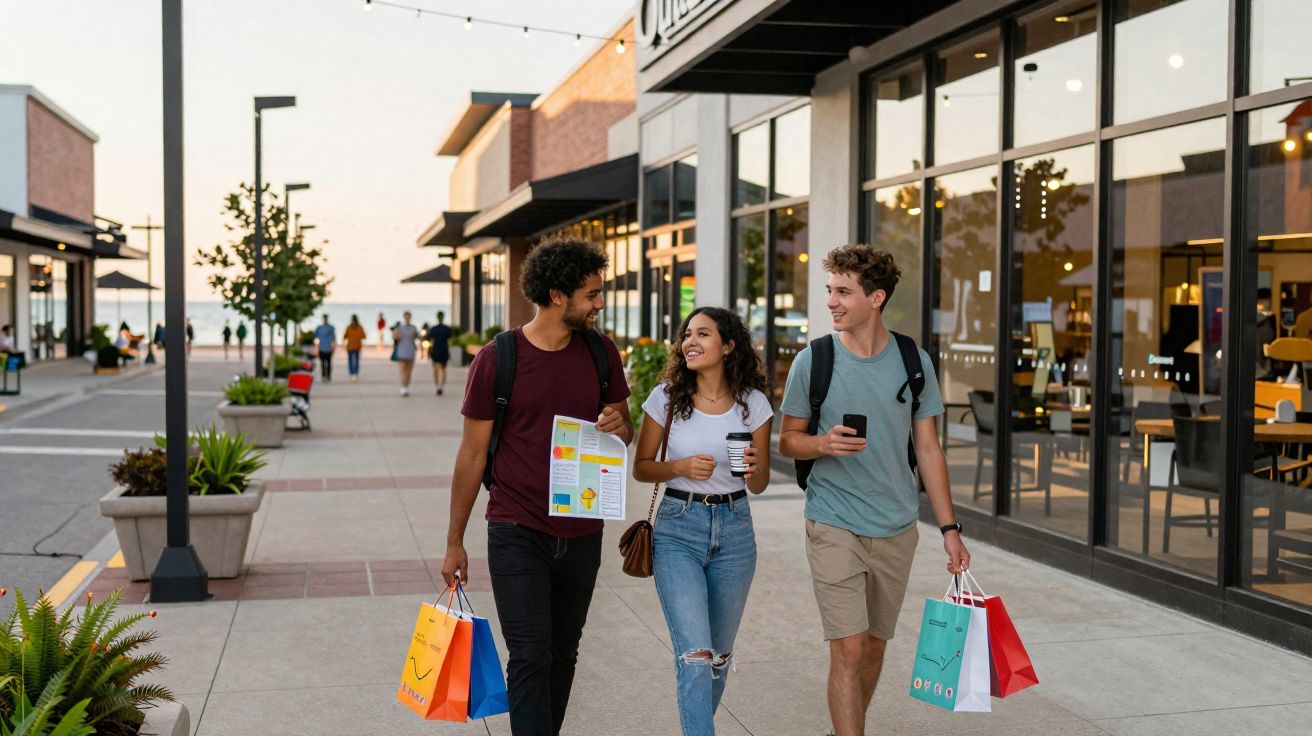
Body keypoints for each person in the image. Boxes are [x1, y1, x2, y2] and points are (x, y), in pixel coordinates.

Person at [441, 236, 633, 736]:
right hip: (516, 527)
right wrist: (454, 540)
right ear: (556, 295)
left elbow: (624, 428)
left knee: (562, 653)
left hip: (583, 529)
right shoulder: (498, 358)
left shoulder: (601, 353)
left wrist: (619, 425)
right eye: (591, 294)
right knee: (529, 655)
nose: (600, 304)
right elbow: (471, 454)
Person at [778, 245, 969, 736]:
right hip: (834, 521)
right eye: (830, 290)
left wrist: (950, 529)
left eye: (843, 292)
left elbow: (928, 449)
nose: (832, 301)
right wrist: (822, 443)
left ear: (876, 297)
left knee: (875, 645)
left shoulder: (913, 361)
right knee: (848, 647)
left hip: (897, 526)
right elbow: (788, 440)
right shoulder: (813, 361)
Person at [634, 307, 772, 736]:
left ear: (728, 346)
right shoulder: (666, 398)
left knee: (718, 658)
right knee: (695, 655)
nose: (690, 342)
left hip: (736, 529)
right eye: (687, 334)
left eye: (703, 334)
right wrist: (679, 467)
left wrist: (754, 467)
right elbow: (641, 467)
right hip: (679, 526)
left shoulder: (754, 403)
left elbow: (760, 484)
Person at [391, 311, 420, 396]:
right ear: (404, 317)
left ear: (410, 317)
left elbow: (419, 337)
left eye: (408, 317)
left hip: (411, 351)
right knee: (403, 370)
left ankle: (406, 387)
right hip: (401, 351)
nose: (407, 318)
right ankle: (403, 387)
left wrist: (415, 335)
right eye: (406, 317)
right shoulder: (399, 328)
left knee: (409, 371)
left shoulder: (414, 328)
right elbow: (393, 337)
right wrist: (396, 335)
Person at [427, 311, 453, 396]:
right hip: (444, 350)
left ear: (437, 317)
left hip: (436, 350)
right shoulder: (447, 329)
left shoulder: (433, 329)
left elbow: (430, 340)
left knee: (436, 369)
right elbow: (449, 342)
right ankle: (441, 386)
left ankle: (437, 386)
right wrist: (450, 353)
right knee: (443, 369)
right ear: (443, 317)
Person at [343, 314, 366, 382]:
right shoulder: (357, 327)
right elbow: (363, 336)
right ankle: (353, 373)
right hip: (352, 347)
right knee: (352, 361)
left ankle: (354, 373)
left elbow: (345, 336)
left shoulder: (351, 327)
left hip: (355, 347)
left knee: (354, 361)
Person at [315, 314, 337, 382]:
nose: (325, 320)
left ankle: (328, 375)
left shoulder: (331, 328)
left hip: (328, 348)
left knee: (328, 363)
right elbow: (316, 338)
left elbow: (334, 339)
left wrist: (333, 347)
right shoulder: (319, 328)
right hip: (322, 348)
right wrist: (316, 347)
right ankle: (324, 375)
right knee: (323, 363)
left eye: (325, 318)